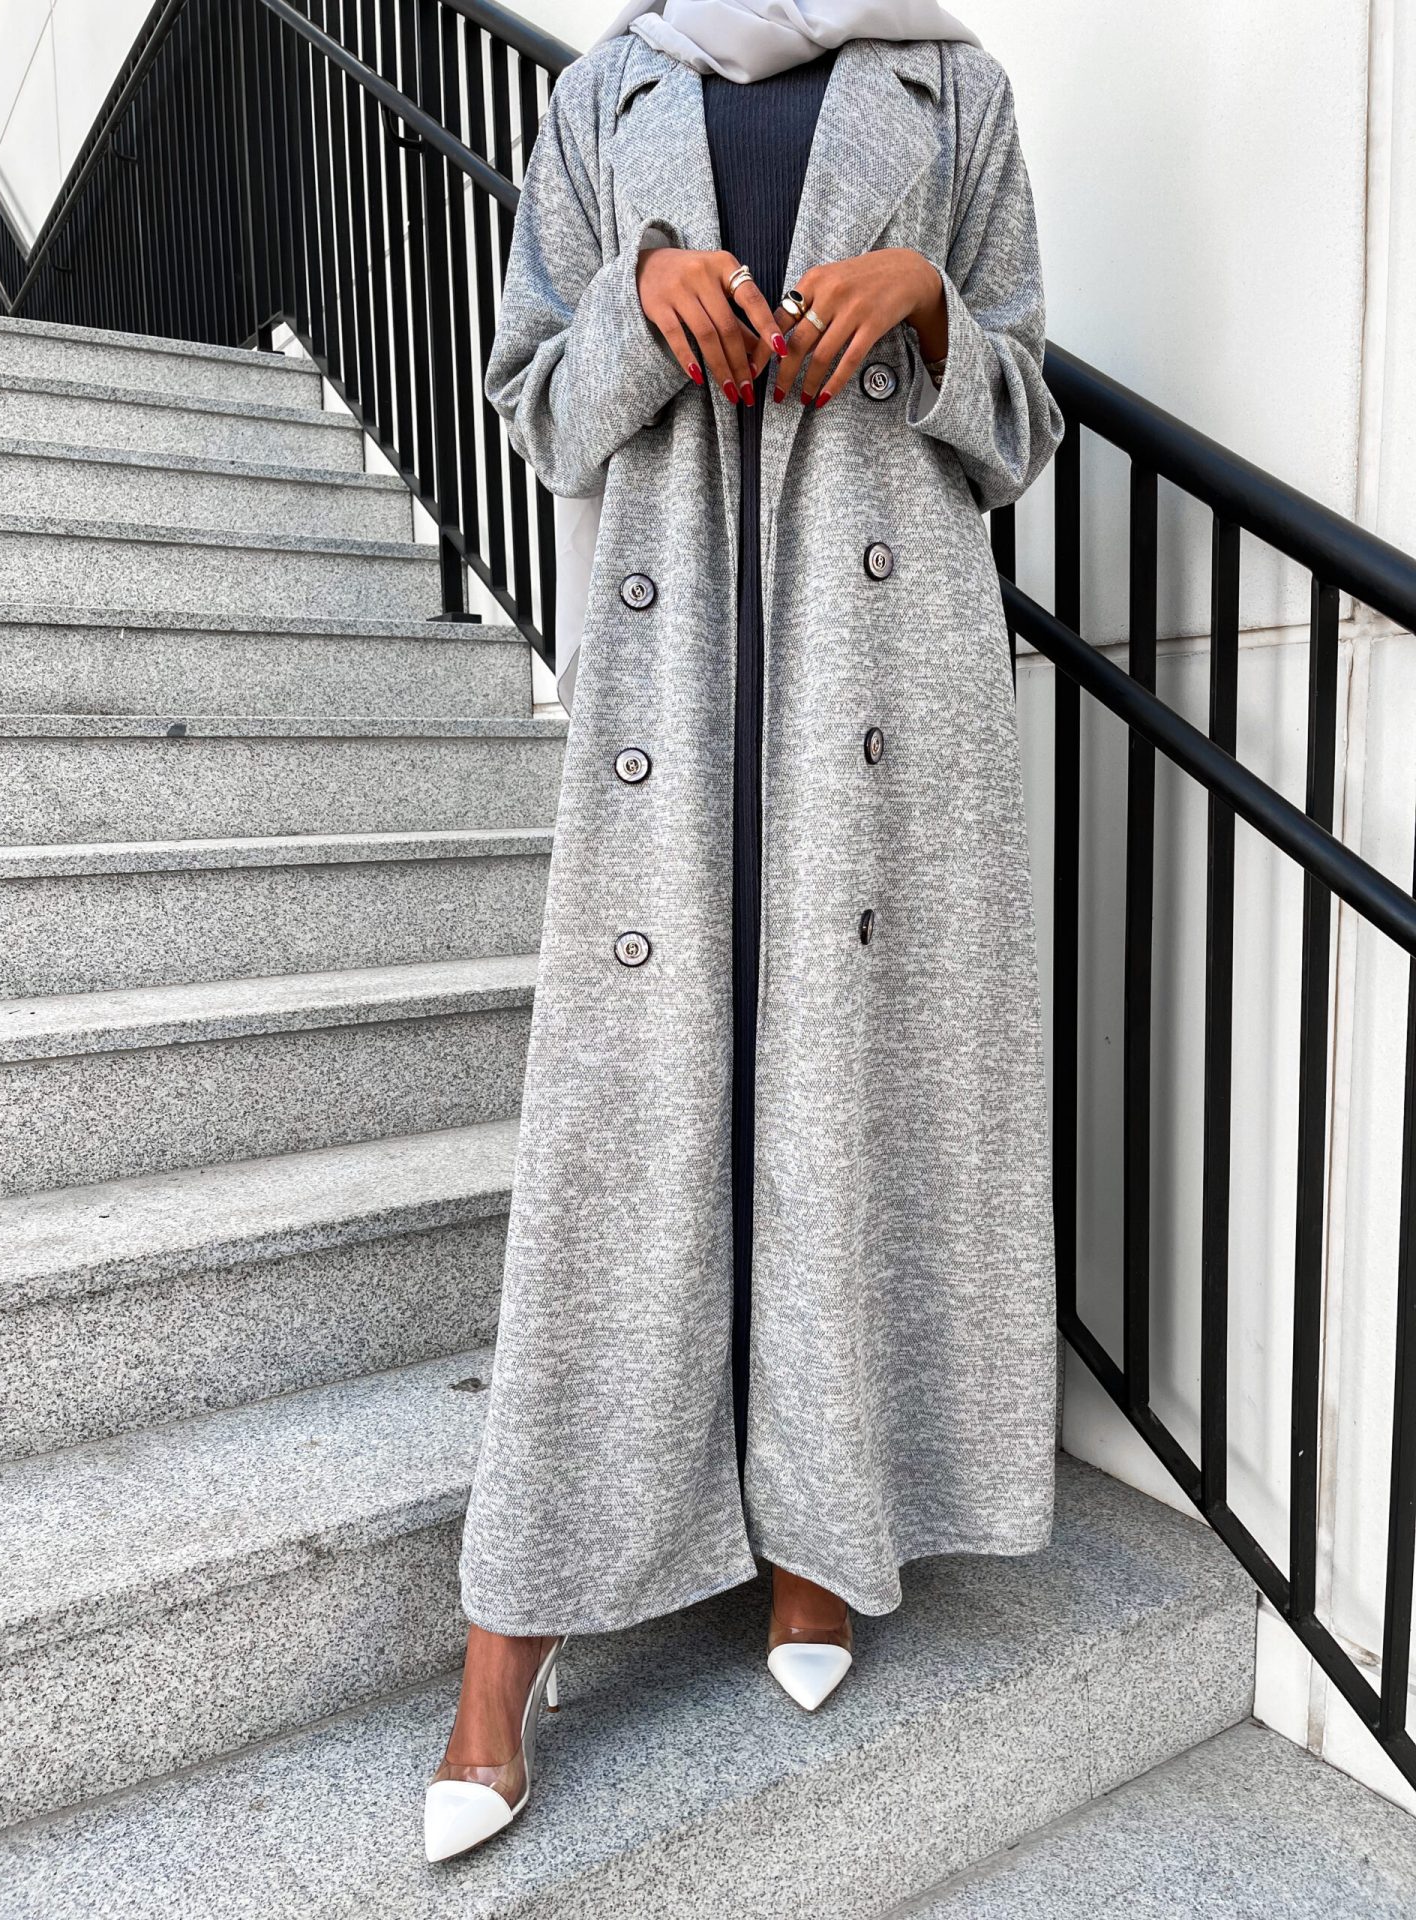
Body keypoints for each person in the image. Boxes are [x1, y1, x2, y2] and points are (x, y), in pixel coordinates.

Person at [426, 0, 1064, 1864]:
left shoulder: (957, 85)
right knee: (620, 1135)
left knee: (844, 1099)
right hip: (675, 678)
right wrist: (641, 301)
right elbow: (538, 404)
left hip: (884, 684)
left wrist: (931, 311)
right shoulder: (602, 89)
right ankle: (509, 1636)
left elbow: (1025, 417)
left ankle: (817, 1538)